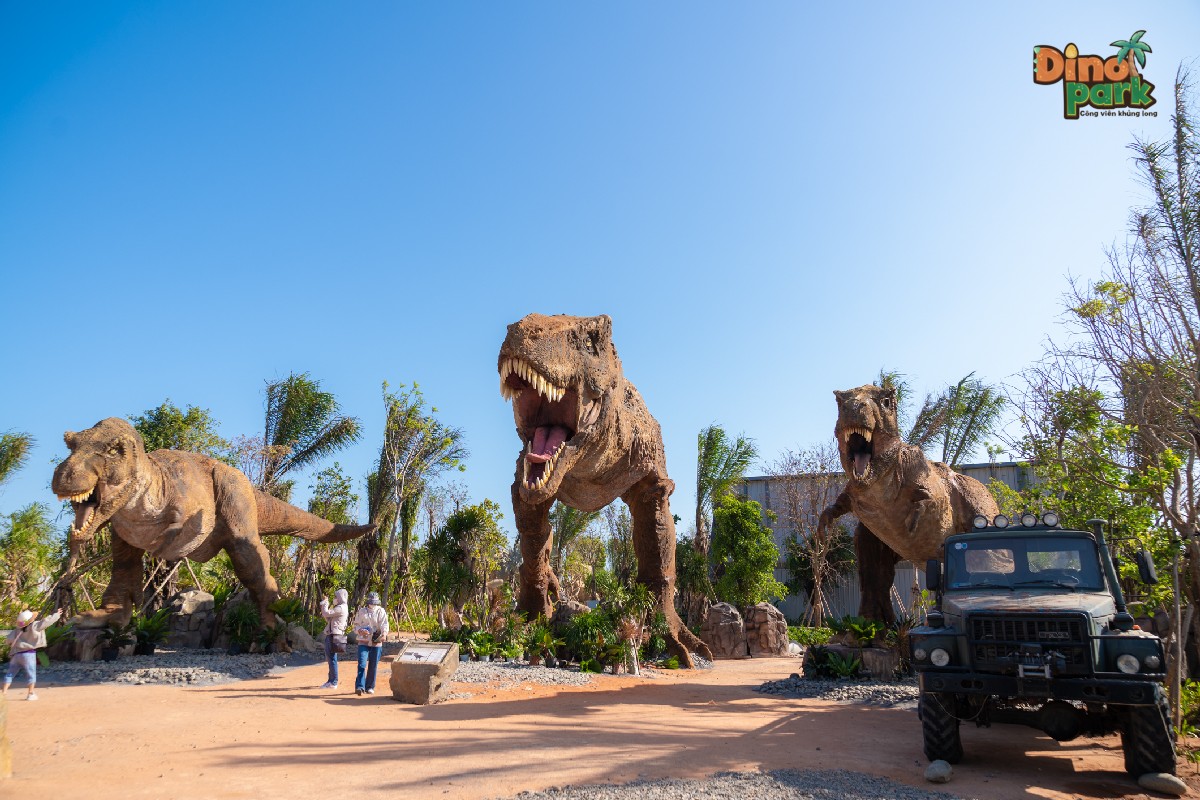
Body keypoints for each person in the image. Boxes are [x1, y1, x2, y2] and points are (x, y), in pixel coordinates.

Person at [4, 607, 64, 701]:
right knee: (31, 674)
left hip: (16, 654)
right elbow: (46, 622)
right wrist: (57, 615)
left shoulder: (17, 630)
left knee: (10, 674)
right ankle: (30, 694)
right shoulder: (34, 626)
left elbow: (8, 640)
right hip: (28, 654)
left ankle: (4, 692)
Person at [352, 592, 390, 696]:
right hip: (363, 641)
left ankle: (370, 686)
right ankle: (360, 686)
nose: (373, 604)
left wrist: (384, 634)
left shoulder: (381, 611)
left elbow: (384, 624)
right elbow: (356, 626)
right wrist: (360, 630)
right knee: (362, 664)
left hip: (376, 641)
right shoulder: (361, 611)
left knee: (373, 665)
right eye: (371, 602)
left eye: (375, 602)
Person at [318, 589, 348, 689]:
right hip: (332, 634)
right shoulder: (340, 608)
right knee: (330, 658)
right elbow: (328, 618)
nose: (335, 599)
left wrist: (325, 602)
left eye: (336, 597)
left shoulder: (341, 608)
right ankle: (330, 680)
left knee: (332, 659)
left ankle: (333, 682)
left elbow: (326, 613)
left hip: (334, 636)